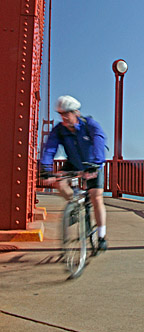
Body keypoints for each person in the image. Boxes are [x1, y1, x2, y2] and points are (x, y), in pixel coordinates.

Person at [40, 95, 108, 251]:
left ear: (76, 112)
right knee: (59, 183)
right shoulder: (59, 130)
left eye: (67, 113)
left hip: (92, 163)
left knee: (96, 197)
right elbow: (50, 148)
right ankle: (75, 205)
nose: (63, 117)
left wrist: (96, 164)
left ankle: (102, 236)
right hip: (73, 163)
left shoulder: (89, 124)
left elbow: (99, 139)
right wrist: (46, 169)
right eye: (61, 114)